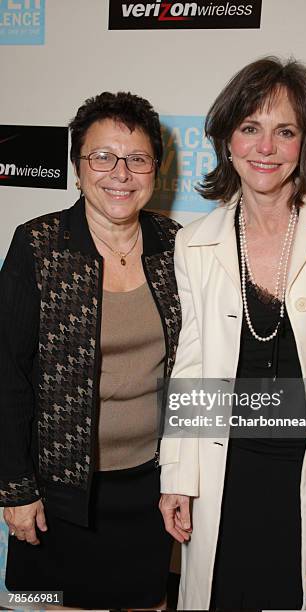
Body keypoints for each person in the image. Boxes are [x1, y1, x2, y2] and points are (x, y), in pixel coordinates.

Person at [158, 57, 306, 610]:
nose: (266, 147)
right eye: (250, 128)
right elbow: (191, 367)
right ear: (227, 139)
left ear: (304, 141)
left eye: (284, 131)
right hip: (228, 469)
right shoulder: (194, 241)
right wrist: (178, 474)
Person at [0, 91, 181, 609]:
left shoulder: (176, 246)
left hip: (150, 488)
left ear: (154, 170)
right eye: (102, 157)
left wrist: (186, 475)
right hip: (56, 492)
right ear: (78, 169)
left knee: (148, 602)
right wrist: (15, 487)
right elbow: (6, 373)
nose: (120, 173)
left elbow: (194, 367)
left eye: (137, 158)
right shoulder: (39, 244)